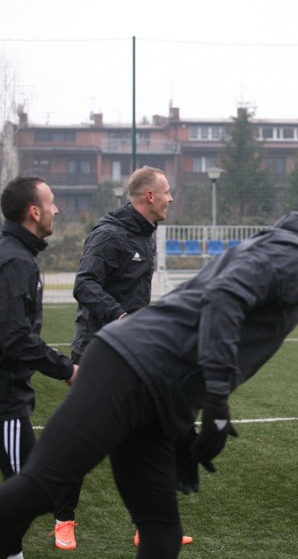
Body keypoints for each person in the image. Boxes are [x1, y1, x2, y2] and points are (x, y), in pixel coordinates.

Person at [0, 180, 298, 559]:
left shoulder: (290, 251)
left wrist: (179, 429)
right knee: (43, 488)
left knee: (162, 532)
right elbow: (223, 300)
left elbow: (192, 333)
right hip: (126, 368)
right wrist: (217, 405)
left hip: (155, 389)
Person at [50, 166, 177, 551]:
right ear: (149, 197)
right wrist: (120, 316)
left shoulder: (146, 234)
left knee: (147, 439)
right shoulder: (109, 236)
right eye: (167, 192)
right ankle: (63, 520)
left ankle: (149, 527)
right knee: (80, 440)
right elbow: (83, 285)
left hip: (134, 352)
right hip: (96, 351)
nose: (172, 198)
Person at [0, 175, 78, 559]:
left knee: (27, 491)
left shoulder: (14, 252)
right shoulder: (15, 260)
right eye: (51, 202)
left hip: (9, 398)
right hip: (5, 401)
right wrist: (66, 369)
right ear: (34, 211)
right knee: (29, 490)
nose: (56, 209)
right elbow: (15, 338)